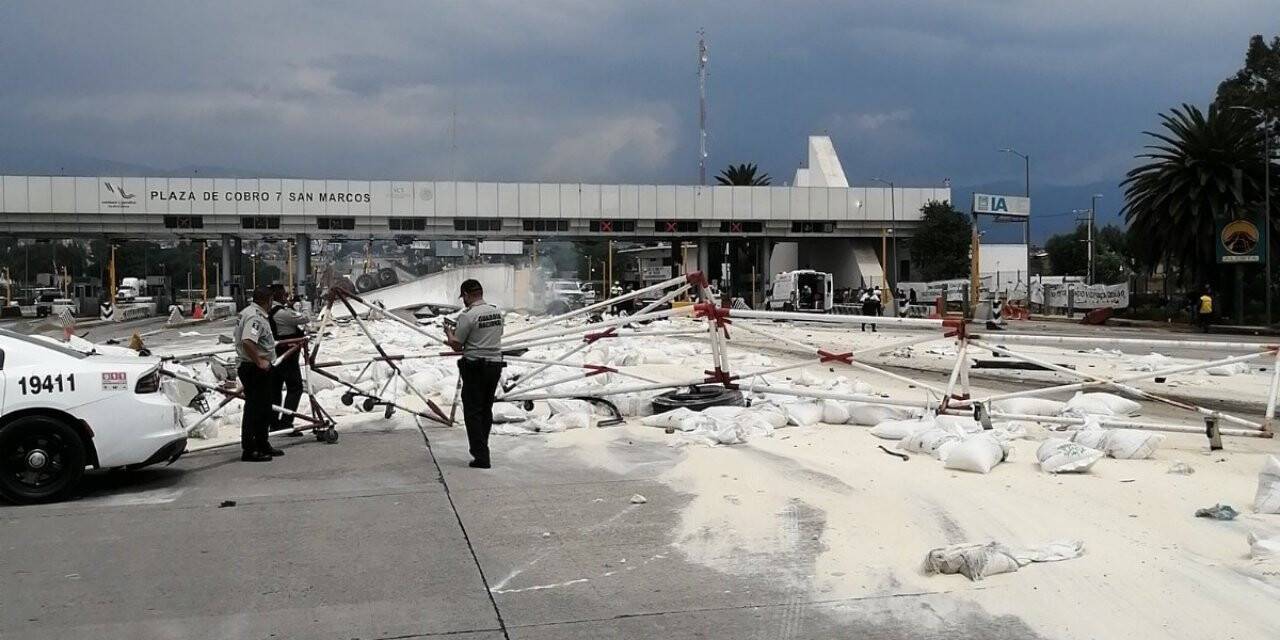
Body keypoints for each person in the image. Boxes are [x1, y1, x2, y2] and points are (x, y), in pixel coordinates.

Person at [445, 279, 505, 469]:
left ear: (467, 295)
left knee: (472, 412)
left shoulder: (467, 316)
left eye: (463, 297)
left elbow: (457, 345)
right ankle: (483, 448)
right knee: (485, 409)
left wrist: (448, 332)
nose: (463, 301)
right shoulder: (496, 312)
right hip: (495, 365)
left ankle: (481, 456)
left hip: (475, 366)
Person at [234, 286, 283, 462]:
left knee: (264, 407)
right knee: (254, 409)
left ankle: (263, 443)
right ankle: (250, 448)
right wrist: (259, 361)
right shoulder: (255, 317)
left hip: (256, 367)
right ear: (268, 300)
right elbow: (248, 341)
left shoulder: (249, 312)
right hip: (253, 368)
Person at [268, 284, 310, 436]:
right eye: (285, 294)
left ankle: (273, 422)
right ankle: (286, 421)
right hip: (287, 355)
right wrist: (303, 305)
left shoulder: (269, 311)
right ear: (278, 295)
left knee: (275, 390)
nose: (287, 297)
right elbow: (305, 318)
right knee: (295, 388)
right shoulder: (282, 313)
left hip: (273, 355)